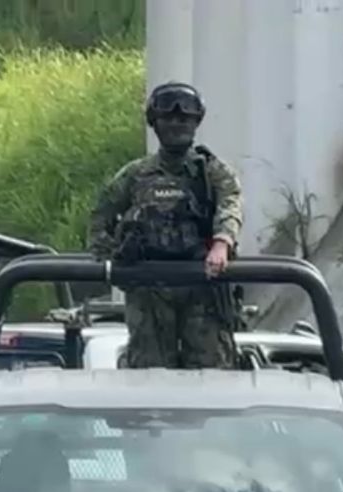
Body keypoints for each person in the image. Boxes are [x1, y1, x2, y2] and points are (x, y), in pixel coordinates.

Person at [87, 82, 245, 369]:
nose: (176, 124)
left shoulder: (211, 172)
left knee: (212, 376)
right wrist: (115, 262)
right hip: (150, 290)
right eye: (168, 118)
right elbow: (100, 218)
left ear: (196, 122)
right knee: (150, 376)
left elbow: (230, 205)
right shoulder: (135, 175)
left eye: (184, 118)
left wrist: (221, 244)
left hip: (203, 286)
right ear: (155, 123)